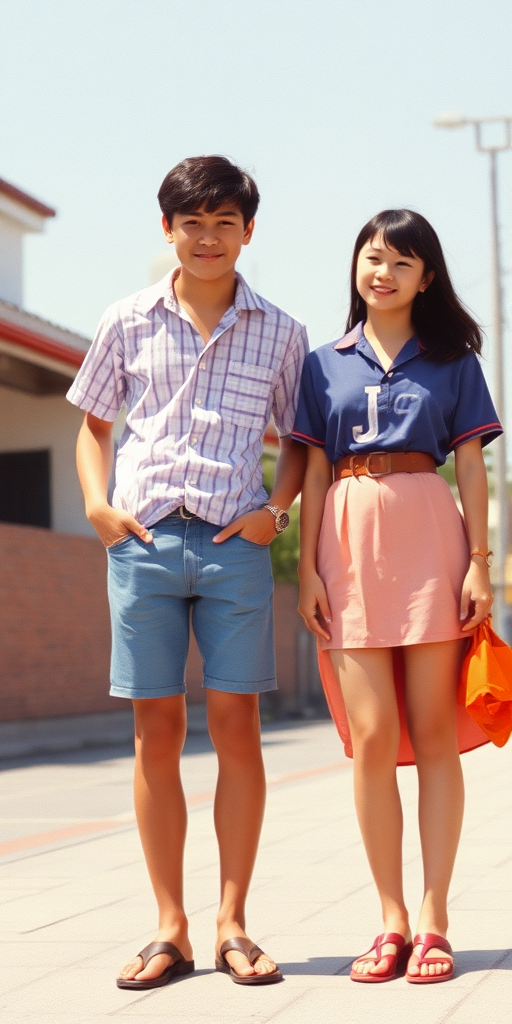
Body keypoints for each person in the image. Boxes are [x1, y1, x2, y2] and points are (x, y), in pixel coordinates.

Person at [67, 155, 308, 989]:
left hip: (236, 547)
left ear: (249, 230)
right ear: (166, 228)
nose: (208, 238)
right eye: (191, 223)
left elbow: (300, 441)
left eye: (224, 223)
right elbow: (93, 426)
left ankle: (233, 924)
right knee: (155, 733)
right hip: (143, 542)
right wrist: (98, 509)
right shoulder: (126, 319)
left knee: (239, 728)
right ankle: (168, 927)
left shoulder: (282, 330)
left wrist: (273, 515)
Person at [292, 209, 502, 985]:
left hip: (430, 545)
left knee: (436, 734)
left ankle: (437, 918)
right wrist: (310, 568)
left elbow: (473, 466)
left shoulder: (454, 361)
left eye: (401, 263)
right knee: (374, 738)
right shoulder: (321, 364)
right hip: (346, 549)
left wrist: (480, 562)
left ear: (427, 277)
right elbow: (312, 470)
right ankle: (390, 920)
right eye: (373, 258)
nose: (382, 272)